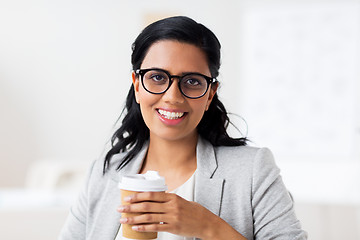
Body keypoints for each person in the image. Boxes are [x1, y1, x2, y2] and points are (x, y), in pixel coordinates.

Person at [59, 16, 307, 240]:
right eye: (157, 77)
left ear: (210, 94)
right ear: (137, 85)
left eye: (191, 81)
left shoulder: (252, 171)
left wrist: (208, 227)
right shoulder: (105, 173)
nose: (172, 97)